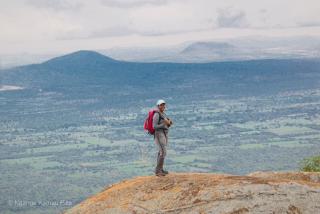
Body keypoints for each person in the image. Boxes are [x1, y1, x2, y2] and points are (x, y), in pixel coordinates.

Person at [153, 99, 173, 176]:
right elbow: (154, 126)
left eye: (163, 105)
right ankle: (158, 171)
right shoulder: (157, 114)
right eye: (161, 105)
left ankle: (160, 169)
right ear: (158, 106)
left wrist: (169, 123)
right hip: (159, 134)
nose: (163, 106)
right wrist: (164, 124)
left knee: (161, 152)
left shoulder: (163, 114)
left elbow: (167, 124)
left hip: (164, 134)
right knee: (163, 152)